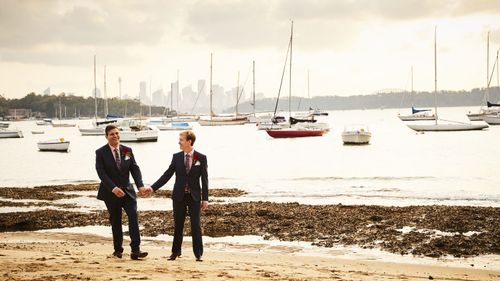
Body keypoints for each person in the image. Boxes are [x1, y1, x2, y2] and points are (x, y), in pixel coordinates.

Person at [149, 130, 209, 261]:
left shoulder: (201, 158)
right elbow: (167, 174)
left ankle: (198, 254)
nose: (179, 142)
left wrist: (205, 199)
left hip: (194, 197)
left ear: (189, 141)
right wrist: (153, 188)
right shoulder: (176, 157)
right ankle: (175, 252)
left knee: (196, 225)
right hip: (178, 197)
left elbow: (204, 180)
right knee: (178, 225)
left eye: (181, 139)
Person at [95, 124, 149, 260]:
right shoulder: (100, 152)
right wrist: (113, 188)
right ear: (106, 136)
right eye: (112, 134)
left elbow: (134, 169)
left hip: (128, 192)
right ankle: (118, 250)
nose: (115, 136)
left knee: (133, 217)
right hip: (110, 193)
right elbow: (101, 173)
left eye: (117, 133)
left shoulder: (127, 150)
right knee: (116, 221)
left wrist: (140, 185)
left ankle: (135, 250)